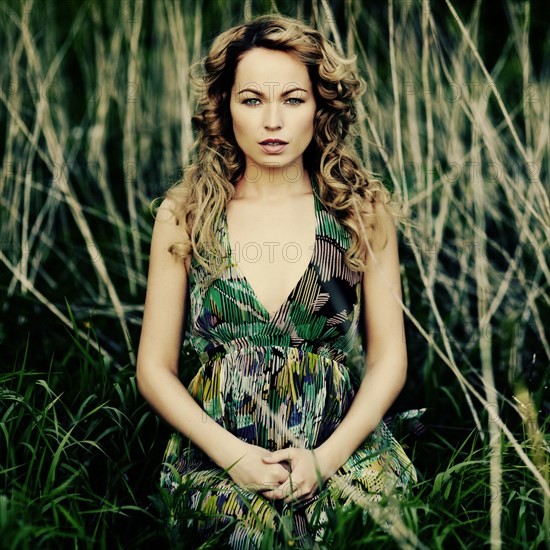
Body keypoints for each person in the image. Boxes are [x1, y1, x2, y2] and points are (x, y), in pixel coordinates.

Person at [136, 13, 424, 548]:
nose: (273, 121)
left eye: (293, 99)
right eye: (252, 100)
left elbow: (389, 359)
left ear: (320, 106)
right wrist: (234, 458)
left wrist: (325, 459)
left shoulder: (359, 210)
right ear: (224, 106)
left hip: (344, 452)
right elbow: (154, 369)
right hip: (220, 456)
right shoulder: (185, 214)